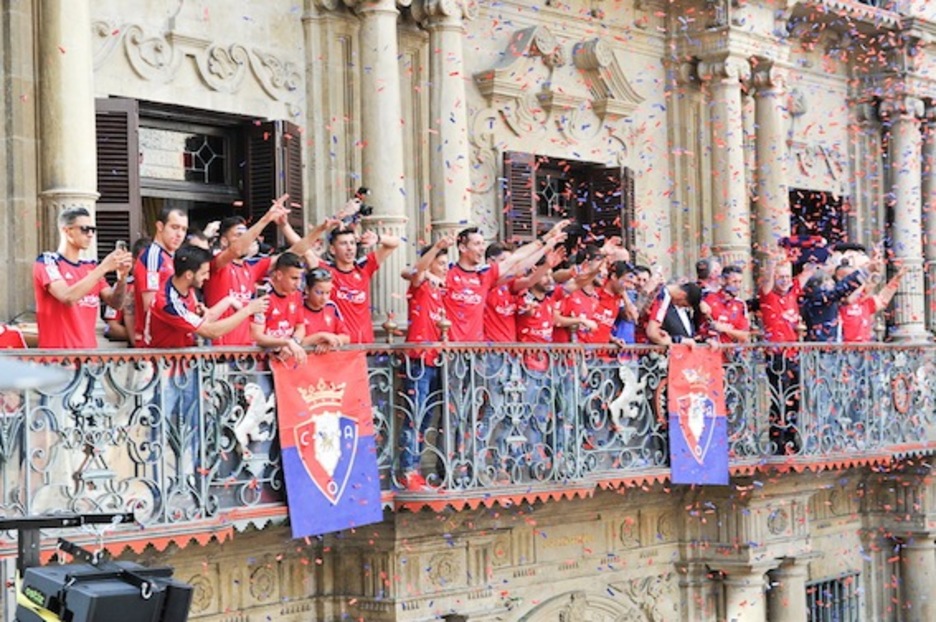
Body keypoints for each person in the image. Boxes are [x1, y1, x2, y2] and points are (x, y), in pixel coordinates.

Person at [203, 196, 319, 347]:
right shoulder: (217, 263)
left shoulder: (252, 267)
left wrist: (322, 228)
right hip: (220, 355)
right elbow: (236, 249)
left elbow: (293, 254)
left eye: (247, 235)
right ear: (224, 241)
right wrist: (266, 218)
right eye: (239, 235)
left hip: (246, 355)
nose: (247, 239)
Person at [33, 207, 133, 349]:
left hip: (88, 359)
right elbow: (67, 296)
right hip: (58, 360)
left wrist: (122, 278)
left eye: (93, 229)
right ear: (67, 231)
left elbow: (116, 303)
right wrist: (104, 267)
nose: (90, 234)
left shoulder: (91, 267)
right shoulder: (47, 261)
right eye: (85, 229)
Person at [398, 236, 453, 490]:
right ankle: (407, 469)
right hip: (419, 359)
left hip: (436, 360)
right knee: (415, 416)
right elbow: (413, 272)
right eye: (440, 262)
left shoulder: (441, 290)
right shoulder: (420, 284)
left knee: (428, 416)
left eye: (445, 262)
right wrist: (436, 247)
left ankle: (417, 467)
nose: (444, 267)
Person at [316, 226, 401, 344]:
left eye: (352, 243)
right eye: (343, 244)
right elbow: (302, 250)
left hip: (365, 345)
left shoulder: (363, 267)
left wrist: (377, 238)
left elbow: (395, 243)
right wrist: (284, 225)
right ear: (332, 249)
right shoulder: (327, 271)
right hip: (339, 345)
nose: (349, 248)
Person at [134, 206, 189, 346]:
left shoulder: (175, 257)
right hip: (156, 346)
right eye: (175, 227)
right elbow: (151, 305)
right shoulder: (153, 256)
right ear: (160, 226)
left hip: (177, 344)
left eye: (183, 229)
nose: (179, 234)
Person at [249, 252, 307, 365]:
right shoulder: (263, 295)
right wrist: (284, 343)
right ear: (279, 275)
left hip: (286, 360)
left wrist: (293, 343)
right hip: (261, 362)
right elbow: (256, 336)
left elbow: (300, 327)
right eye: (294, 278)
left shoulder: (297, 294)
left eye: (300, 278)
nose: (298, 284)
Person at [301, 267, 350, 353]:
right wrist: (321, 336)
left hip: (328, 363)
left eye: (328, 292)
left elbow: (346, 337)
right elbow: (295, 342)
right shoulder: (298, 307)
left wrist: (330, 342)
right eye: (319, 293)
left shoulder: (331, 306)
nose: (324, 298)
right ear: (307, 290)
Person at [705, 264, 751, 344]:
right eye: (734, 282)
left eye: (740, 282)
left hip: (731, 353)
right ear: (723, 281)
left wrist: (724, 329)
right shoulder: (709, 299)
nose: (738, 286)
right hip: (710, 351)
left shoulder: (740, 304)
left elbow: (744, 335)